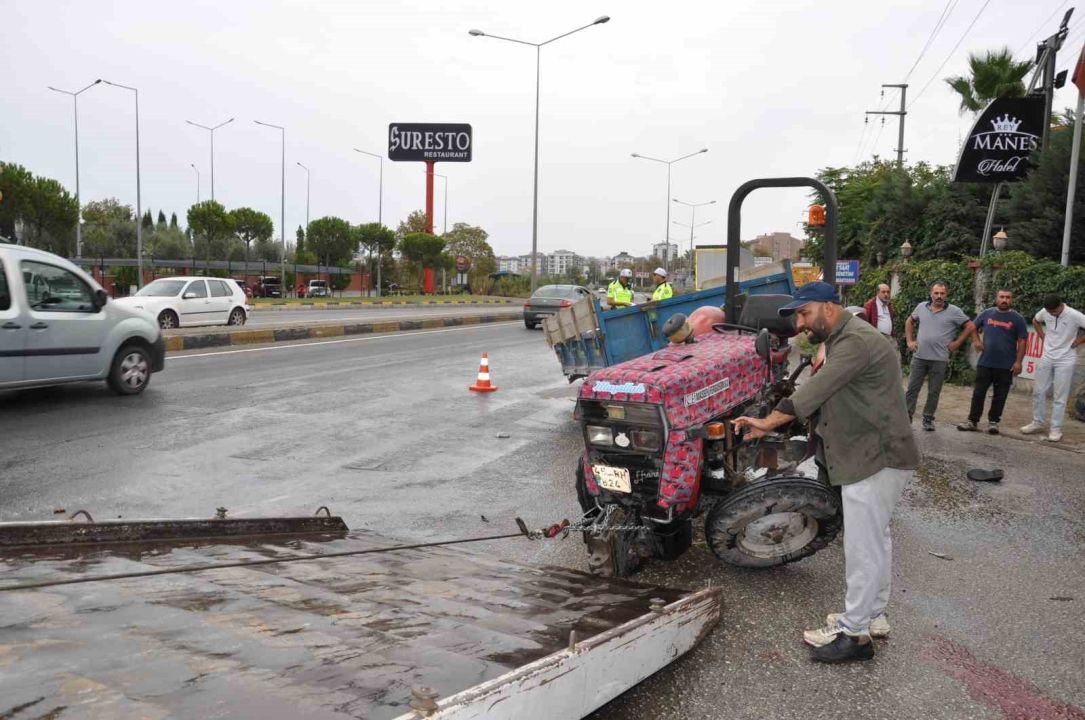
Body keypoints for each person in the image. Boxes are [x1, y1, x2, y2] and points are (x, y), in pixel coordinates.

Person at [732, 282, 917, 663]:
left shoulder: (855, 341)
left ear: (828, 307)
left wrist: (767, 422)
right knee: (876, 540)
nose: (800, 323)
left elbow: (814, 390)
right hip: (874, 453)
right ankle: (872, 615)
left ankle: (854, 634)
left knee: (863, 546)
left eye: (804, 313)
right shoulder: (845, 337)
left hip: (873, 456)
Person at [904, 281, 974, 431]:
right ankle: (906, 417)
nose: (939, 296)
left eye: (942, 293)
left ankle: (928, 419)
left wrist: (957, 343)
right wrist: (909, 341)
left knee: (934, 391)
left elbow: (970, 326)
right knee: (912, 389)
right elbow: (909, 321)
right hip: (919, 357)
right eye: (936, 293)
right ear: (931, 294)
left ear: (946, 295)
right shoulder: (921, 307)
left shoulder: (954, 311)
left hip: (939, 359)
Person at [957, 289, 1028, 435]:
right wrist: (976, 341)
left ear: (1011, 300)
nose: (1004, 300)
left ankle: (993, 422)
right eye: (1002, 297)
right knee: (978, 393)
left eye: (1007, 297)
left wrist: (1019, 362)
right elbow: (972, 327)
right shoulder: (987, 313)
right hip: (985, 362)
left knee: (1000, 395)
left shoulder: (1017, 318)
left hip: (1006, 365)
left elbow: (1022, 341)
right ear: (997, 298)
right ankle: (972, 421)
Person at [1020, 294, 1085, 443]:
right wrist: (1042, 336)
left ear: (1061, 305)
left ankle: (1056, 429)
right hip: (1047, 356)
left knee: (1060, 396)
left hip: (1066, 359)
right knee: (1038, 391)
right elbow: (1035, 320)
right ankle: (1037, 423)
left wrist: (1078, 341)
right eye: (1049, 312)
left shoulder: (1074, 315)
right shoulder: (1045, 311)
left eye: (1054, 312)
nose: (1051, 314)